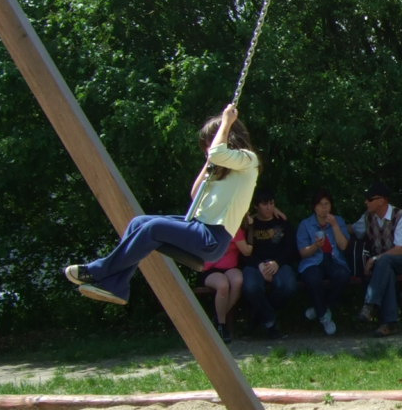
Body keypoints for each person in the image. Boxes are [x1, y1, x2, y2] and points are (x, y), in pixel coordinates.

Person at [64, 103, 259, 306]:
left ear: (229, 137)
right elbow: (195, 194)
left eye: (210, 143)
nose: (208, 150)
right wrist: (210, 163)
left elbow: (218, 153)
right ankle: (117, 286)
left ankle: (99, 270)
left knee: (153, 228)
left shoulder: (248, 161)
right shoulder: (221, 169)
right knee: (139, 222)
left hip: (213, 238)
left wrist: (226, 123)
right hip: (199, 228)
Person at [351, 180, 402, 336]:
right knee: (387, 271)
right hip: (384, 265)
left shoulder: (400, 217)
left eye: (370, 199)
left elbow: (400, 249)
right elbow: (351, 229)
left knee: (384, 262)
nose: (366, 202)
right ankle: (389, 323)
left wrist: (374, 259)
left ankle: (370, 304)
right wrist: (331, 223)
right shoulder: (367, 217)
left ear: (382, 201)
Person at [241, 187, 298, 340]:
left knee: (289, 286)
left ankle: (257, 318)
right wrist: (259, 265)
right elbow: (244, 252)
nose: (269, 207)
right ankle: (271, 323)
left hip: (279, 263)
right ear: (256, 206)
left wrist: (277, 263)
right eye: (265, 204)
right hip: (255, 265)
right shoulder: (250, 225)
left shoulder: (283, 222)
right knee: (251, 287)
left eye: (272, 203)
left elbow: (290, 248)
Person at [297, 189, 351, 336]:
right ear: (314, 207)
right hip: (313, 261)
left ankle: (319, 308)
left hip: (333, 259)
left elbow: (343, 246)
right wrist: (315, 246)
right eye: (320, 205)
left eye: (327, 204)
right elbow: (303, 252)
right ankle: (324, 317)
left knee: (343, 275)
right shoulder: (305, 224)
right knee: (313, 278)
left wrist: (334, 226)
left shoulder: (338, 221)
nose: (324, 208)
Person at [201, 224, 250, 343]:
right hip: (209, 269)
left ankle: (218, 318)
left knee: (238, 280)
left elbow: (246, 251)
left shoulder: (234, 229)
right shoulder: (207, 229)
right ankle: (222, 325)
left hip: (230, 267)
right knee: (223, 285)